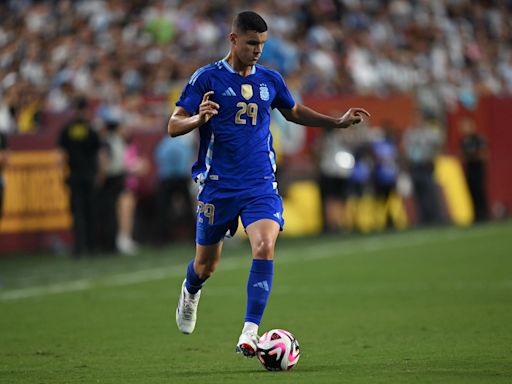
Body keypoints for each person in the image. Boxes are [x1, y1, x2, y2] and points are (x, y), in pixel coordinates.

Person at [168, 11, 370, 357]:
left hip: (260, 182)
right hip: (218, 185)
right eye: (251, 44)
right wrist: (198, 118)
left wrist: (336, 123)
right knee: (206, 266)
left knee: (263, 247)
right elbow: (173, 125)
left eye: (261, 44)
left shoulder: (270, 80)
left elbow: (293, 111)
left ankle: (249, 332)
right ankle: (191, 289)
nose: (257, 51)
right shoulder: (207, 79)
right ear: (233, 40)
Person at [58, 97, 101, 257]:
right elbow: (99, 153)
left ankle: (79, 248)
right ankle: (91, 247)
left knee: (77, 213)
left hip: (74, 175)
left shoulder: (66, 129)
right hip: (89, 175)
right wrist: (99, 174)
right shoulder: (91, 129)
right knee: (91, 212)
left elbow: (61, 156)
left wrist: (62, 174)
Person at [459, 117, 488, 222]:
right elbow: (462, 155)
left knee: (479, 191)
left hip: (478, 168)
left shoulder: (478, 139)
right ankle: (476, 215)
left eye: (466, 126)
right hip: (469, 168)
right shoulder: (463, 140)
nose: (464, 129)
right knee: (471, 192)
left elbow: (483, 154)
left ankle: (484, 214)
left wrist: (471, 156)